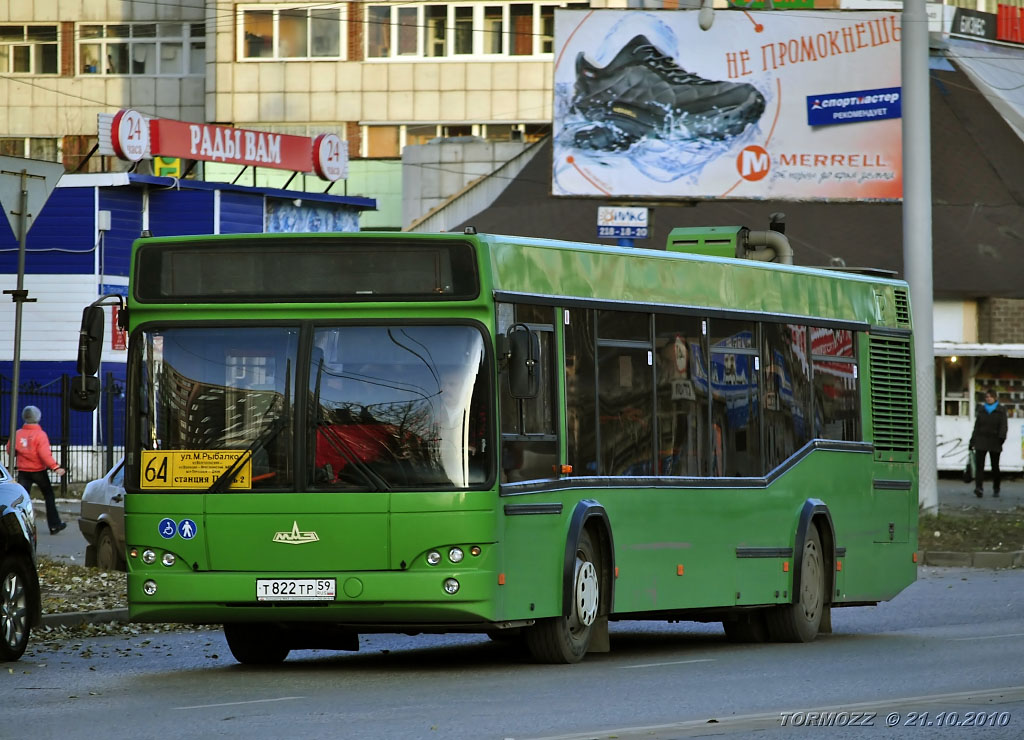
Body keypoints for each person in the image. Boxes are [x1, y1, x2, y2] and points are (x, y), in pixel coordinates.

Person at [11, 406, 67, 533]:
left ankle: (19, 526)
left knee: (22, 500)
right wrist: (55, 467)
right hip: (38, 471)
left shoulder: (18, 433)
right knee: (49, 495)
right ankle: (54, 524)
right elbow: (44, 454)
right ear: (38, 417)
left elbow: (10, 449)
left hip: (23, 471)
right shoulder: (40, 435)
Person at [970, 388, 1007, 498]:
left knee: (995, 466)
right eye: (986, 397)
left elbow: (1003, 426)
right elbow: (976, 427)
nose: (988, 399)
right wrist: (972, 440)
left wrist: (1001, 438)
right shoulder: (981, 410)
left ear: (995, 398)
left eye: (990, 397)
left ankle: (996, 488)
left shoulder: (1001, 410)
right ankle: (979, 487)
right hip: (981, 440)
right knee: (979, 466)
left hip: (995, 441)